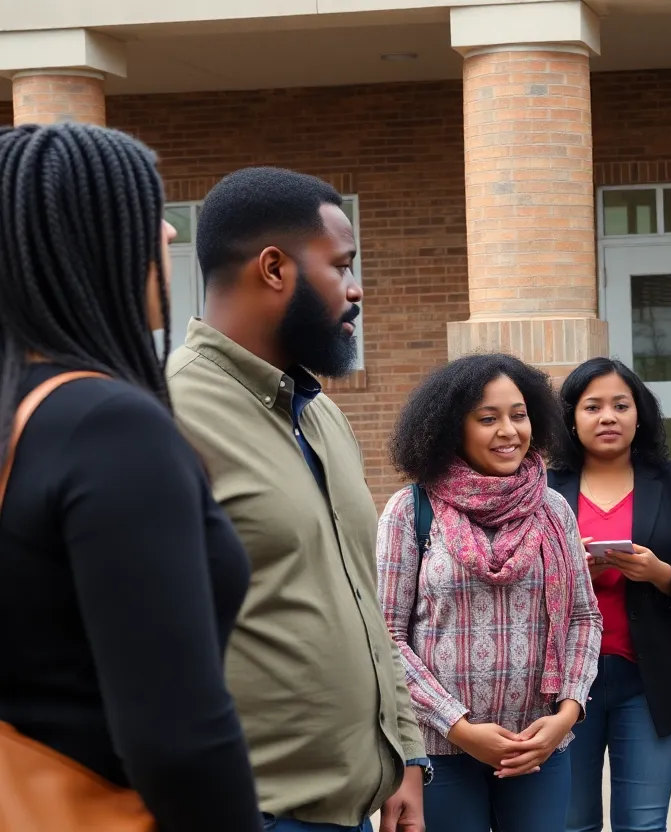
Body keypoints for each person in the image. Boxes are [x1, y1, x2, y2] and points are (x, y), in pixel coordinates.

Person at [0, 123, 262, 831]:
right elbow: (179, 735)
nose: (171, 238)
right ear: (91, 239)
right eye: (150, 215)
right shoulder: (108, 425)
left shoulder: (19, 417)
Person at [166, 166, 428, 832]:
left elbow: (364, 604)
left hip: (356, 808)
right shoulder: (164, 414)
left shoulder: (320, 414)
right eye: (341, 266)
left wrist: (403, 756)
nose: (356, 288)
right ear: (274, 268)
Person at [377, 353, 602, 832]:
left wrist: (567, 713)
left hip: (538, 746)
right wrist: (459, 726)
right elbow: (386, 638)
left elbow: (584, 618)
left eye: (518, 415)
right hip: (442, 748)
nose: (509, 431)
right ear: (450, 428)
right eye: (488, 418)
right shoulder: (410, 510)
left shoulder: (553, 508)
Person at [547, 357, 671, 832]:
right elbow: (519, 588)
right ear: (571, 418)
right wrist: (569, 570)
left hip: (652, 681)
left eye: (620, 405)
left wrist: (660, 572)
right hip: (564, 684)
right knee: (572, 822)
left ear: (639, 414)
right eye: (593, 406)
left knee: (642, 825)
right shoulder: (543, 487)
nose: (608, 417)